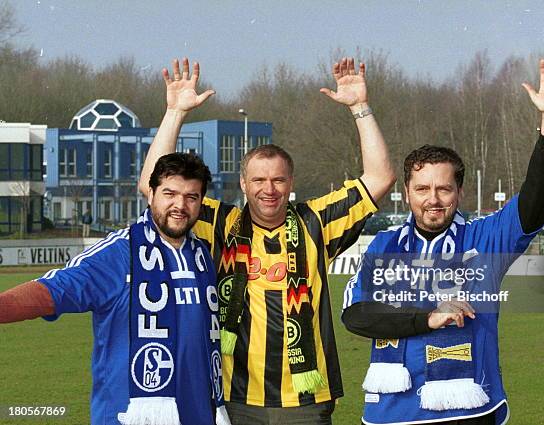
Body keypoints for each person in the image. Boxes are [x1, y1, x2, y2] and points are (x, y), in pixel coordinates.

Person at [138, 57, 395, 424]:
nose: (268, 189)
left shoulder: (316, 221)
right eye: (258, 180)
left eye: (277, 180)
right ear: (244, 184)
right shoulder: (221, 222)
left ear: (290, 184)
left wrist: (359, 106)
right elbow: (154, 188)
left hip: (306, 400)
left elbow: (380, 177)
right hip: (235, 396)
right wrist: (175, 113)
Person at [342, 59, 544, 425]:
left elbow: (534, 200)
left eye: (444, 188)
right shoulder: (384, 245)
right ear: (407, 192)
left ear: (459, 191)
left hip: (468, 412)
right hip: (391, 414)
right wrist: (427, 317)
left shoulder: (483, 239)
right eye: (423, 189)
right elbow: (356, 315)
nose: (433, 198)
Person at [0, 153, 230, 425]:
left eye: (191, 197)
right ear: (151, 193)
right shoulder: (119, 253)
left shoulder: (202, 254)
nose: (180, 205)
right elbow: (51, 292)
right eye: (170, 193)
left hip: (200, 415)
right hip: (129, 417)